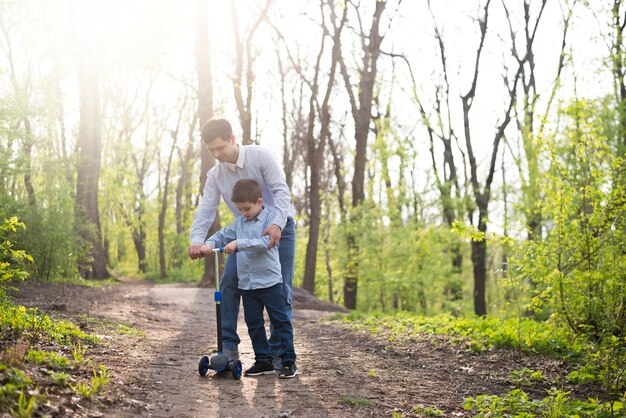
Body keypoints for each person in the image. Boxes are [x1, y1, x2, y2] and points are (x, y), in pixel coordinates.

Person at [188, 117, 296, 369]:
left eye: (220, 147)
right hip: (245, 234)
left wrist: (276, 224)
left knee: (282, 291)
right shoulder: (215, 175)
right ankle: (229, 349)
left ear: (232, 140)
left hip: (281, 228)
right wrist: (197, 241)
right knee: (229, 282)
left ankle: (280, 352)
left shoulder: (260, 156)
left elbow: (281, 192)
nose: (217, 154)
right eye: (211, 150)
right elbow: (206, 209)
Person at [201, 179, 297, 378]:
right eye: (239, 209)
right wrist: (208, 244)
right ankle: (263, 360)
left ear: (259, 201)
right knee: (253, 324)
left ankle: (288, 360)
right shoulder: (239, 223)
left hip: (270, 283)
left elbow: (265, 243)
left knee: (280, 321)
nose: (243, 213)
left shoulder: (271, 220)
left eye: (246, 208)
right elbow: (221, 235)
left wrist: (239, 244)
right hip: (248, 285)